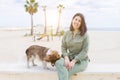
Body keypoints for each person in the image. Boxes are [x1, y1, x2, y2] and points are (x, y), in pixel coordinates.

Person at [55, 13, 89, 80]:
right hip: (68, 57)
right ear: (72, 20)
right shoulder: (67, 33)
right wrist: (66, 57)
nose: (77, 22)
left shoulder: (85, 35)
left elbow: (85, 51)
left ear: (82, 24)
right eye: (76, 19)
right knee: (57, 63)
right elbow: (63, 47)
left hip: (81, 61)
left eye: (79, 21)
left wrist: (74, 61)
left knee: (67, 70)